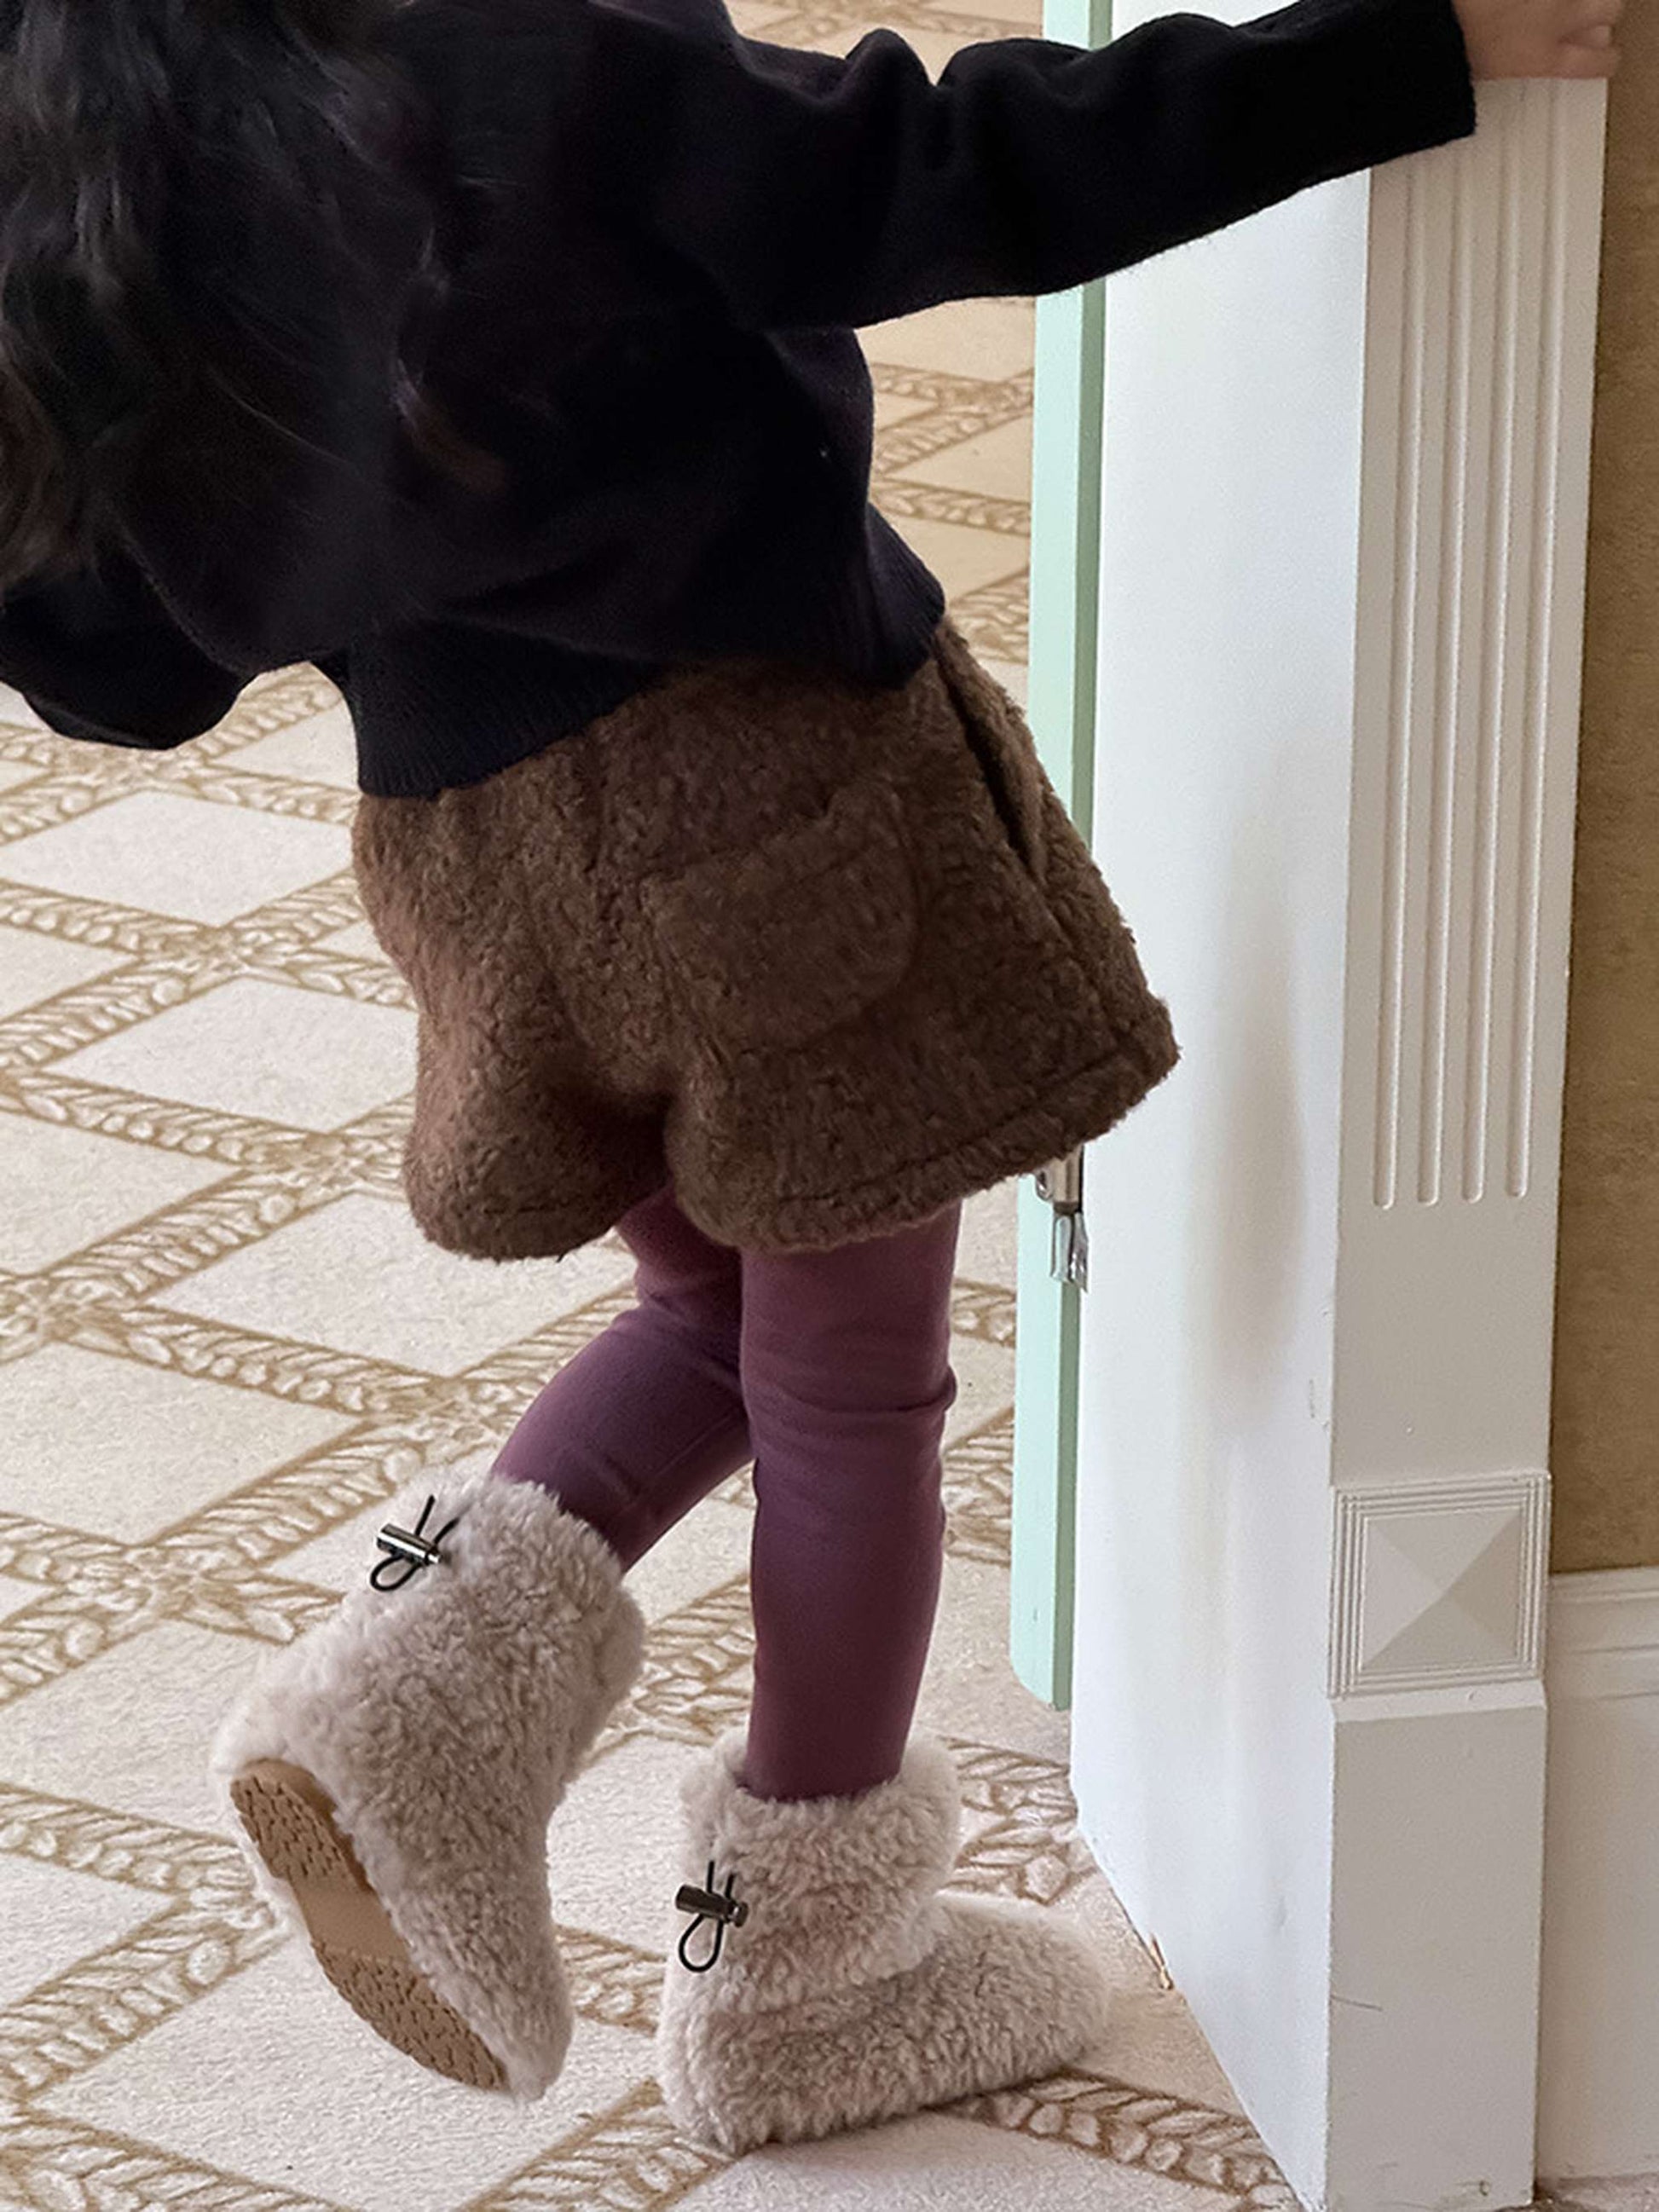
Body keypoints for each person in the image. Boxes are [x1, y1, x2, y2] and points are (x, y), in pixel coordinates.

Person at [0, 0, 1621, 2154]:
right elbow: (939, 171)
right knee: (853, 1384)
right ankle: (807, 1973)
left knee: (708, 1308)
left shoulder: (92, 128)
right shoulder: (501, 52)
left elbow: (123, 670)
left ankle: (412, 1698)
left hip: (471, 851)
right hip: (763, 818)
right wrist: (1400, 50)